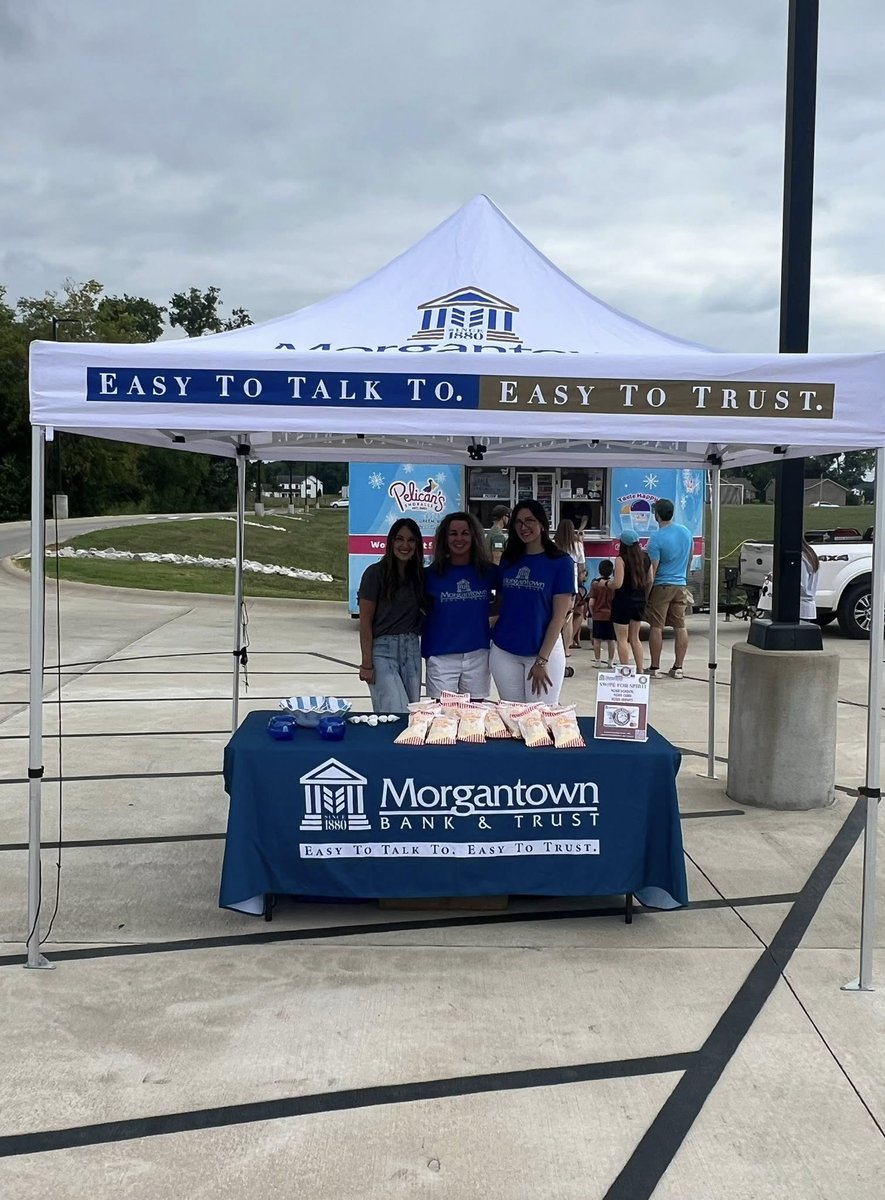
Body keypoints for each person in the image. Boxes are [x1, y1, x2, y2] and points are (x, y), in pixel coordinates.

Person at [490, 499, 575, 703]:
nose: (524, 527)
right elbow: (500, 602)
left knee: (540, 718)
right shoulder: (509, 560)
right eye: (518, 522)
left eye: (530, 520)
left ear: (542, 524)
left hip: (543, 652)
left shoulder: (561, 562)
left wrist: (541, 660)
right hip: (504, 652)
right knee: (512, 716)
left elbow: (559, 617)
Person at [422, 512, 493, 699]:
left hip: (478, 654)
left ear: (474, 537)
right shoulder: (429, 575)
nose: (459, 539)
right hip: (441, 656)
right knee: (443, 713)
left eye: (465, 533)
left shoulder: (488, 572)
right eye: (453, 534)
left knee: (474, 713)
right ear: (445, 538)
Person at [358, 518, 424, 711]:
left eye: (411, 540)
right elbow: (365, 622)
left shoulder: (419, 576)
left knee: (411, 713)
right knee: (394, 710)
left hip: (412, 650)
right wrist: (367, 664)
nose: (405, 545)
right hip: (383, 651)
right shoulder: (374, 574)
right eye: (399, 539)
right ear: (391, 542)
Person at [645, 497, 693, 679]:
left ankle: (655, 667)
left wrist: (647, 592)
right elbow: (689, 558)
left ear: (657, 515)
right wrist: (684, 579)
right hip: (680, 584)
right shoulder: (686, 532)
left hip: (662, 585)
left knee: (657, 626)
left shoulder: (656, 538)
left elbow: (653, 569)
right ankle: (678, 667)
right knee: (680, 625)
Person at [608, 531, 651, 672]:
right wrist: (645, 595)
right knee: (635, 638)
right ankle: (640, 669)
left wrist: (606, 584)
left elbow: (617, 583)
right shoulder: (646, 558)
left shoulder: (621, 559)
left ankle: (626, 671)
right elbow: (650, 580)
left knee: (622, 639)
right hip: (639, 601)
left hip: (623, 602)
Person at [554, 518, 587, 669]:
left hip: (554, 585)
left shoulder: (554, 545)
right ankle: (567, 648)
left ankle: (553, 644)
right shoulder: (577, 546)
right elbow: (582, 569)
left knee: (555, 616)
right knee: (568, 617)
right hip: (571, 585)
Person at [588, 559, 617, 668]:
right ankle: (610, 662)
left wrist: (593, 614)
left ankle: (597, 661)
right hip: (611, 616)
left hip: (598, 615)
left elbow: (591, 603)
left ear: (599, 570)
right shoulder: (613, 585)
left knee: (597, 639)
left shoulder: (595, 584)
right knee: (611, 640)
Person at [800, 537, 820, 621]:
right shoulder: (809, 554)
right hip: (807, 607)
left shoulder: (802, 558)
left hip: (801, 607)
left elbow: (801, 585)